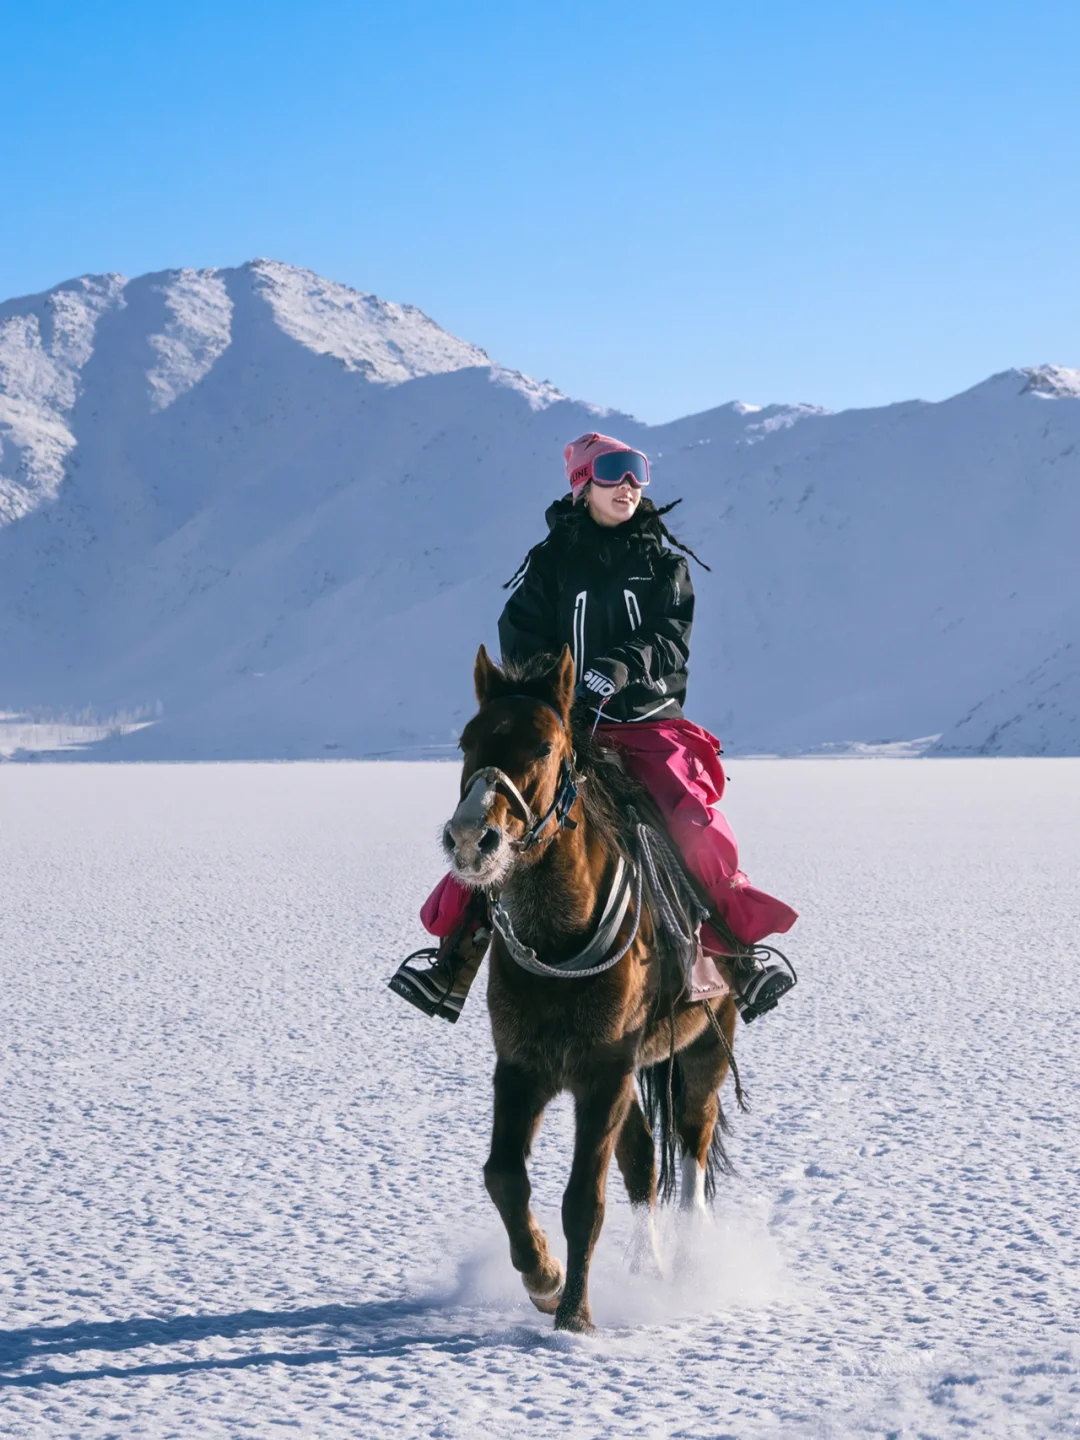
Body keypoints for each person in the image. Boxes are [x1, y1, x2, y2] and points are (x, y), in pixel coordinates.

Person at [389, 432, 797, 1024]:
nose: (629, 485)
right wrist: (552, 687)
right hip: (570, 730)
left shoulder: (663, 563)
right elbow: (519, 635)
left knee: (694, 823)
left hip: (649, 724)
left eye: (638, 472)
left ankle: (738, 955)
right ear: (582, 483)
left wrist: (616, 667)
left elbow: (668, 637)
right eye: (614, 471)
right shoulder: (550, 563)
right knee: (495, 818)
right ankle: (452, 959)